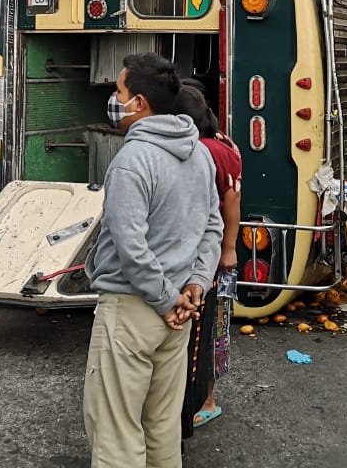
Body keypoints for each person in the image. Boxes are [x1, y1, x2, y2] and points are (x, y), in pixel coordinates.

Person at [83, 53, 223, 468]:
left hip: (133, 311)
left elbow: (131, 246)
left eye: (119, 91)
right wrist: (194, 287)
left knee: (115, 434)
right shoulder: (199, 155)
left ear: (139, 103)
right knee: (162, 428)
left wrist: (165, 299)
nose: (114, 98)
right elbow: (211, 228)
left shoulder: (132, 161)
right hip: (179, 313)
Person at [174, 82, 242, 435]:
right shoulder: (224, 144)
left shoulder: (202, 151)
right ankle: (207, 399)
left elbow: (228, 201)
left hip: (208, 256)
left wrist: (226, 249)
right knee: (216, 329)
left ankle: (201, 401)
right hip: (218, 254)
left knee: (200, 332)